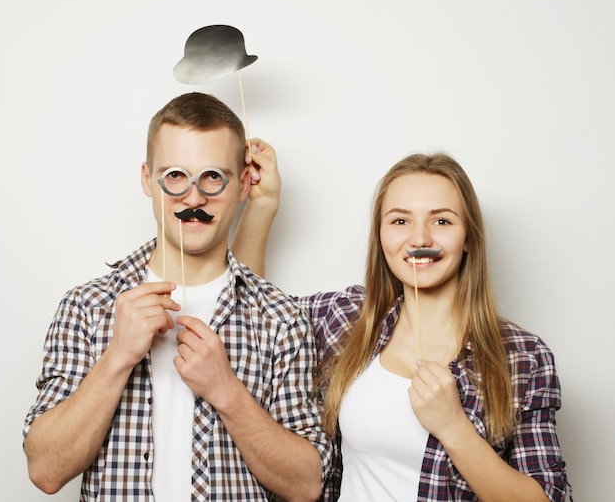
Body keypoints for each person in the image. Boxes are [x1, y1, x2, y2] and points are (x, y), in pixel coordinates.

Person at [23, 92, 330, 502]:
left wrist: (226, 391)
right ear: (148, 180)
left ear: (243, 184)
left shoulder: (280, 319)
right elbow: (45, 470)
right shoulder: (87, 307)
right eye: (175, 176)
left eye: (213, 177)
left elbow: (307, 485)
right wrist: (118, 357)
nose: (194, 198)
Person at [235, 152, 572, 501]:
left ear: (469, 237)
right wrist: (262, 205)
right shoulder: (347, 319)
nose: (419, 239)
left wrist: (454, 428)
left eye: (441, 221)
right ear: (380, 237)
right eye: (400, 221)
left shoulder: (522, 357)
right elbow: (253, 310)